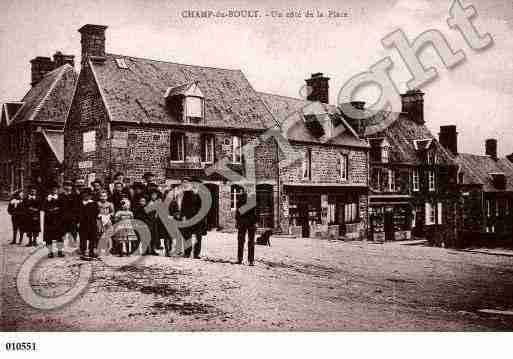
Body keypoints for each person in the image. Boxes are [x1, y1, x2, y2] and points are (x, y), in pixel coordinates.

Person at [180, 178, 207, 259]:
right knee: (187, 236)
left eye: (198, 184)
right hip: (189, 218)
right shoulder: (187, 193)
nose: (196, 185)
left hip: (199, 219)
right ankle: (187, 253)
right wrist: (183, 216)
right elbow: (183, 206)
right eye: (194, 184)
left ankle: (196, 254)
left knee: (198, 237)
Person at [236, 190, 257, 266]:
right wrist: (255, 222)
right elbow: (255, 212)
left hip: (243, 222)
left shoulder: (240, 199)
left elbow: (238, 212)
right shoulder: (252, 199)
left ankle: (240, 259)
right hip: (250, 222)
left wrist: (237, 221)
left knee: (241, 241)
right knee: (250, 242)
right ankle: (251, 260)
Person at [43, 183, 64, 258]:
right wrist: (49, 210)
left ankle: (60, 251)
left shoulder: (60, 198)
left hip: (58, 219)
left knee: (59, 236)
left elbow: (63, 207)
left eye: (55, 189)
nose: (54, 191)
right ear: (50, 190)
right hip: (49, 220)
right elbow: (43, 207)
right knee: (48, 237)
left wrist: (57, 209)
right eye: (52, 189)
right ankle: (50, 252)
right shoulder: (47, 198)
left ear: (57, 190)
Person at [79, 188, 99, 259]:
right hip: (83, 223)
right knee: (83, 238)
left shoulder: (93, 203)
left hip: (92, 223)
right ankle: (83, 251)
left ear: (90, 196)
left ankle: (91, 251)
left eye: (88, 195)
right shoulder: (80, 203)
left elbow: (96, 212)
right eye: (85, 195)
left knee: (92, 238)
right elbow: (78, 213)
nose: (86, 197)